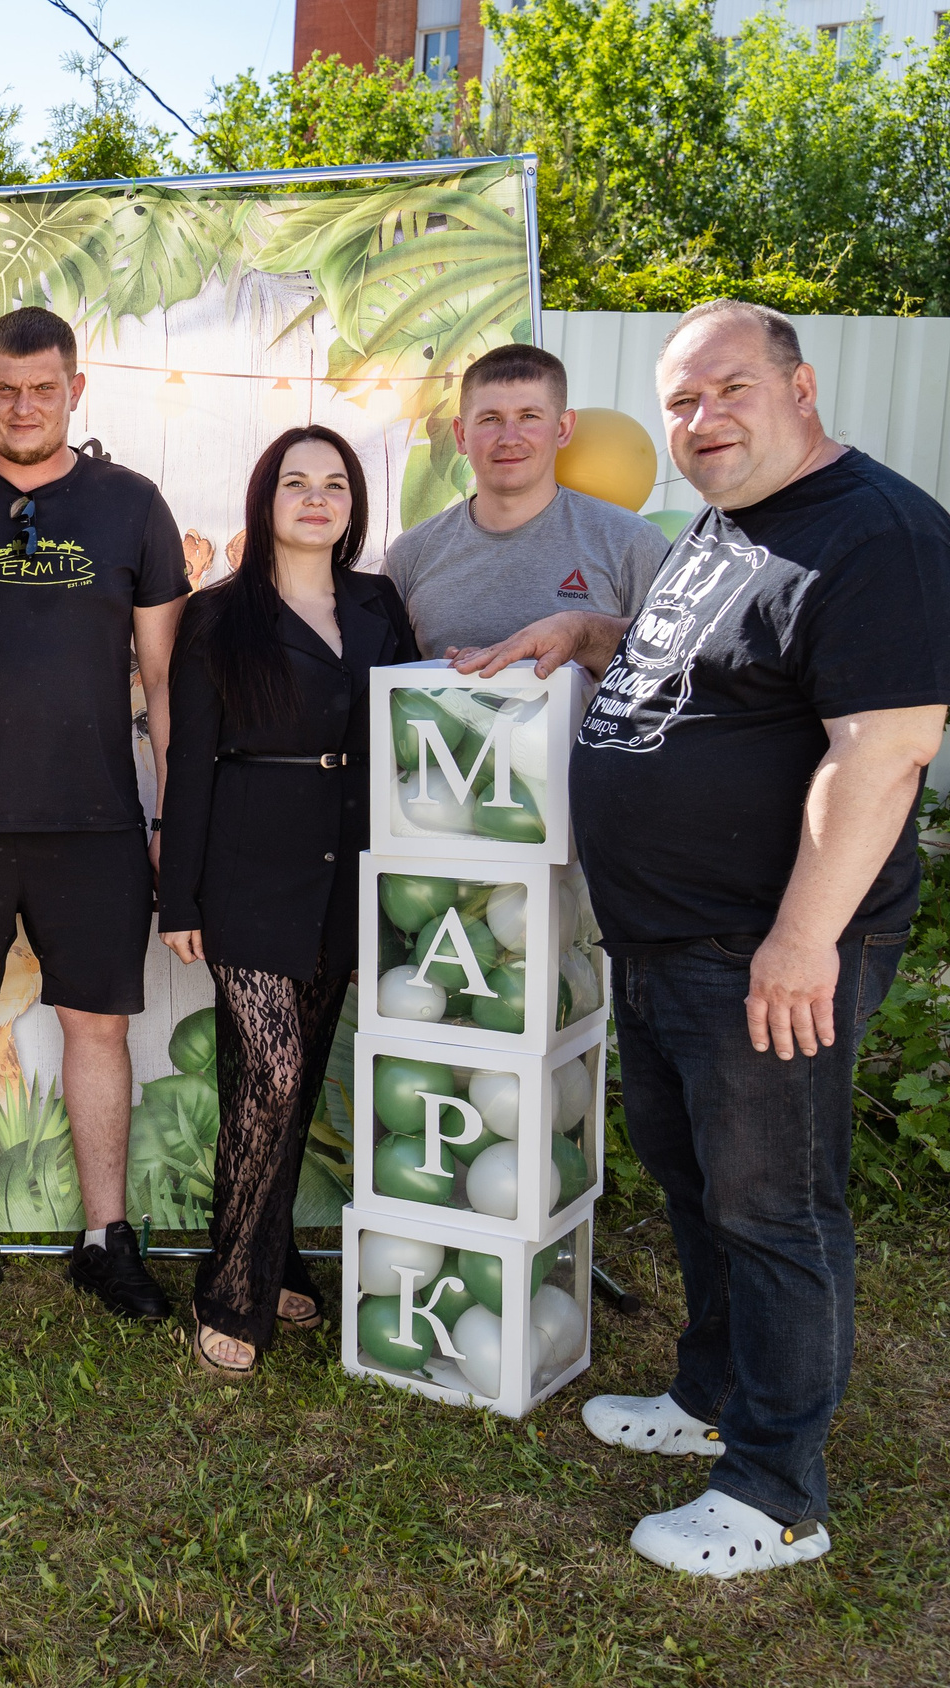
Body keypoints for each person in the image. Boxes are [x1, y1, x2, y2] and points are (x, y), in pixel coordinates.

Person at [459, 300, 949, 1579]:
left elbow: (883, 747)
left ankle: (777, 1489)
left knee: (774, 1206)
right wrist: (586, 636)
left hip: (762, 944)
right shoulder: (725, 528)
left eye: (726, 390)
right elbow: (703, 680)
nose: (698, 420)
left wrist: (802, 941)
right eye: (678, 402)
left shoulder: (876, 533)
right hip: (669, 938)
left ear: (800, 386)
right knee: (697, 1187)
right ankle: (713, 1396)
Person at [0, 305, 188, 1319]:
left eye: (42, 389)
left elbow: (163, 677)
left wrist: (171, 820)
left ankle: (108, 1236)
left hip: (93, 817)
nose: (23, 406)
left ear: (74, 390)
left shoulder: (130, 505)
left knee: (96, 1024)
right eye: (4, 390)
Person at [157, 426, 420, 1380]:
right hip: (246, 866)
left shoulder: (379, 604)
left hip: (347, 865)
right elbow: (188, 760)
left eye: (336, 484)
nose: (317, 498)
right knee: (267, 1070)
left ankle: (277, 1256)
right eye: (297, 483)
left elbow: (412, 719)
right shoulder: (221, 615)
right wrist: (178, 895)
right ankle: (231, 1287)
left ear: (353, 505)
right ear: (265, 499)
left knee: (295, 1079)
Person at [384, 342, 665, 660]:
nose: (509, 438)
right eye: (490, 419)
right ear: (461, 435)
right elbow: (384, 692)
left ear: (562, 428)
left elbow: (680, 670)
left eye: (529, 416)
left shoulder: (630, 543)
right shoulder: (410, 557)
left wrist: (587, 635)